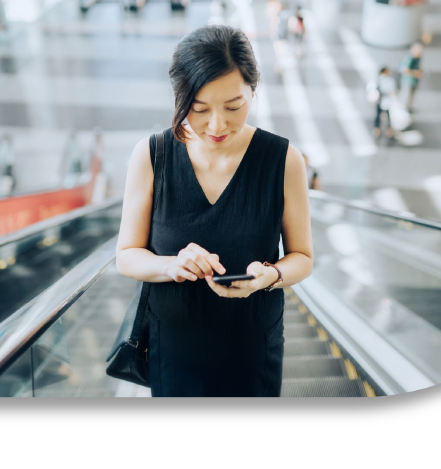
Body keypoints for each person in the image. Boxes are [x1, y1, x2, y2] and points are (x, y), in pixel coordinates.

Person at [114, 24, 314, 397]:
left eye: (234, 106)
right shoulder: (152, 155)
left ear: (253, 91)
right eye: (200, 109)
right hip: (173, 348)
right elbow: (126, 257)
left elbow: (302, 257)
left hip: (252, 346)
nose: (218, 125)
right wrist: (170, 265)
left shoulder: (283, 160)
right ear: (179, 97)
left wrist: (268, 276)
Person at [368, 67, 398, 139]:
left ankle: (377, 129)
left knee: (378, 115)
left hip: (379, 100)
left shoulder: (377, 79)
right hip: (385, 100)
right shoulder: (389, 80)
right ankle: (388, 129)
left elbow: (370, 88)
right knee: (388, 115)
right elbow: (392, 90)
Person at [398, 42, 424, 113]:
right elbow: (404, 69)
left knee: (411, 96)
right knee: (406, 96)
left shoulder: (418, 58)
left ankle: (408, 108)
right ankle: (403, 110)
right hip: (408, 81)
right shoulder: (408, 58)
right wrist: (416, 73)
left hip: (414, 81)